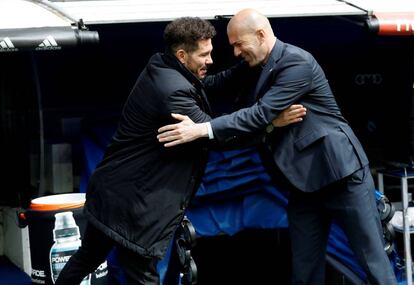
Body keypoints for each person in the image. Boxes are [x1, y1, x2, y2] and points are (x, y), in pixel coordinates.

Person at [55, 16, 304, 285]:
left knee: (87, 258)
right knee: (143, 275)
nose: (211, 60)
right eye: (205, 54)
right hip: (133, 205)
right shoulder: (172, 91)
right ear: (183, 55)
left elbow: (212, 83)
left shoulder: (165, 67)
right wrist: (270, 124)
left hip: (113, 195)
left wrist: (248, 63)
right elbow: (215, 136)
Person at [157, 8, 397, 285]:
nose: (235, 52)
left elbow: (259, 114)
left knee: (373, 262)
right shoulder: (255, 63)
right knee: (304, 270)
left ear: (260, 35)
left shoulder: (297, 63)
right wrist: (175, 72)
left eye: (238, 44)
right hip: (302, 183)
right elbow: (216, 84)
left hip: (340, 175)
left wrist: (200, 129)